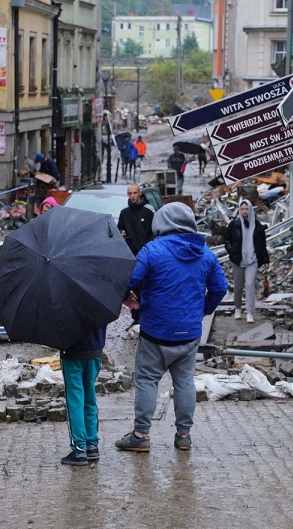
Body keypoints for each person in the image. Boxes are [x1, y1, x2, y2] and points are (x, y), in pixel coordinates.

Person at [115, 202, 228, 452]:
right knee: (185, 383)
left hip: (155, 332)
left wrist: (126, 296)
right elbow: (220, 287)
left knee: (146, 381)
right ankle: (184, 435)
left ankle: (141, 435)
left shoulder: (151, 250)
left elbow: (129, 279)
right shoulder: (206, 254)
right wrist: (203, 310)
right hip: (188, 334)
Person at [60, 326, 107, 466]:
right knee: (90, 396)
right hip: (95, 348)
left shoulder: (60, 303)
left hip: (72, 350)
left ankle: (79, 449)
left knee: (75, 400)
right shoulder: (101, 303)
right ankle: (92, 444)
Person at [224, 199, 269, 324]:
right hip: (238, 260)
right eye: (242, 209)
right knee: (238, 286)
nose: (244, 211)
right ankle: (237, 308)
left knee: (249, 285)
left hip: (252, 260)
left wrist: (265, 260)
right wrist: (231, 250)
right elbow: (226, 239)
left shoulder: (258, 227)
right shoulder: (234, 224)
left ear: (250, 209)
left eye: (246, 209)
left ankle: (249, 312)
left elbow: (262, 245)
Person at [117, 183, 155, 326]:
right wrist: (122, 234)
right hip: (132, 256)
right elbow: (119, 230)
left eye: (134, 193)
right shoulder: (124, 213)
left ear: (140, 193)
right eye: (130, 193)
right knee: (134, 286)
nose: (132, 196)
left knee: (147, 285)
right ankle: (136, 318)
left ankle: (146, 316)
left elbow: (155, 232)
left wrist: (150, 248)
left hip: (147, 255)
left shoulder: (149, 211)